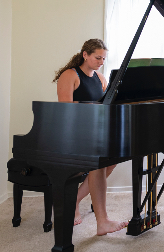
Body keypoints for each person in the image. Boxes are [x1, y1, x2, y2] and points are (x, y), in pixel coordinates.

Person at [53, 39, 128, 235]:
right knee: (99, 162)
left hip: (93, 132)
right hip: (71, 134)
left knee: (113, 159)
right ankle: (102, 222)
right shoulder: (70, 76)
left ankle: (75, 199)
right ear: (85, 55)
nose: (101, 61)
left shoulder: (101, 78)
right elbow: (65, 113)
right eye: (97, 57)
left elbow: (103, 109)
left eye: (103, 58)